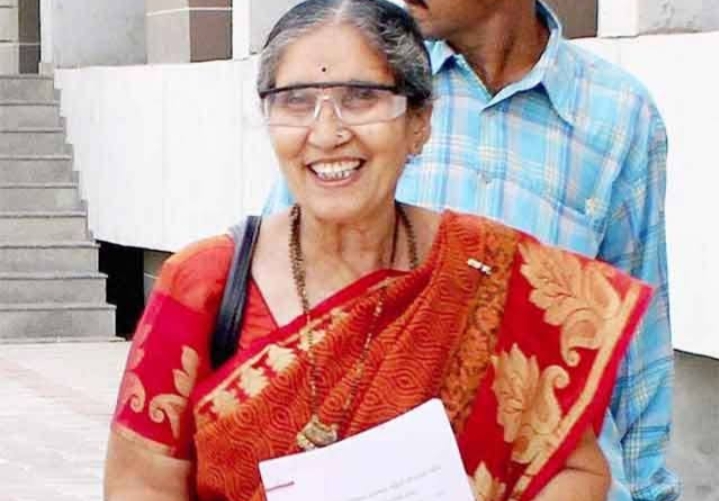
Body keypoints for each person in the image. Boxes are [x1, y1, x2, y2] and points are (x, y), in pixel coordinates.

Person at [105, 1, 653, 500]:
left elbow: (576, 471)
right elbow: (140, 484)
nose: (326, 133)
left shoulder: (488, 269)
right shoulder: (203, 284)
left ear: (419, 123)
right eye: (296, 101)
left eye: (360, 98)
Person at [264, 1, 678, 500]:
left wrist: (648, 492)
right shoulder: (373, 83)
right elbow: (282, 290)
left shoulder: (619, 113)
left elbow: (637, 349)